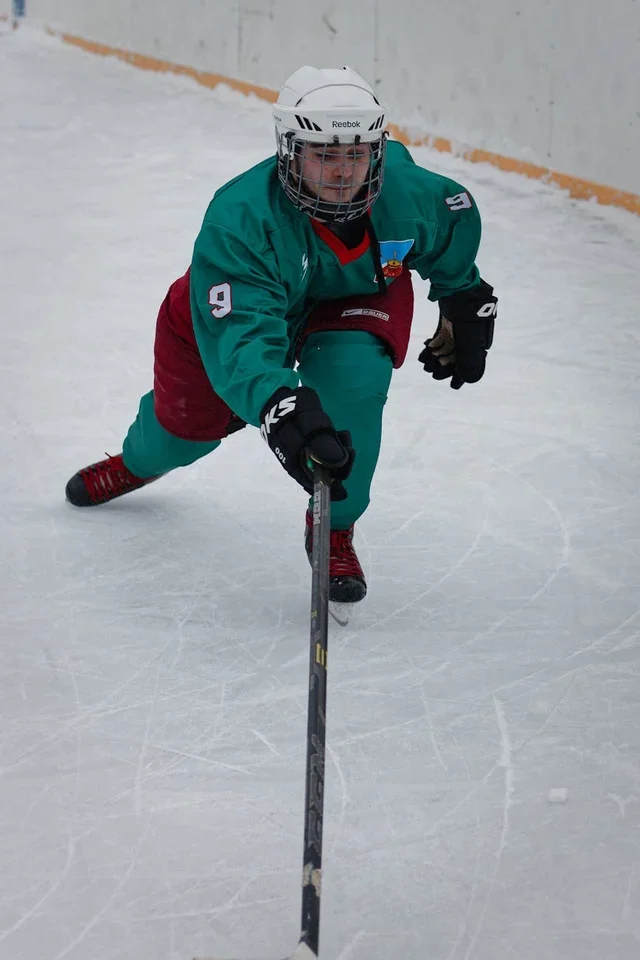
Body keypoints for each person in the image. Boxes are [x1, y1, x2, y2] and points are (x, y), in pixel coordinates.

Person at [65, 65, 497, 606]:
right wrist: (278, 405)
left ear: (377, 151)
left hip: (354, 298)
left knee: (355, 387)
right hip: (235, 315)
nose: (343, 172)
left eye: (356, 155)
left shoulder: (408, 193)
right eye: (324, 155)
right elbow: (242, 337)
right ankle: (137, 461)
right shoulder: (239, 217)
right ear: (290, 151)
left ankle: (334, 525)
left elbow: (448, 225)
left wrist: (463, 293)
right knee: (182, 432)